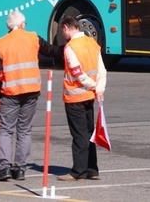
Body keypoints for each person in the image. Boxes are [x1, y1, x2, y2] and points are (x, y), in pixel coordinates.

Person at [0, 10, 63, 181]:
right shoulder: (33, 38)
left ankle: (4, 167)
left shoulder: (0, 44)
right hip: (31, 91)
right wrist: (69, 47)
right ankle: (20, 168)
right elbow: (52, 51)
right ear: (22, 24)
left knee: (6, 131)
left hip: (10, 93)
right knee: (24, 130)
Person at [56, 15, 107, 182]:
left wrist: (92, 85)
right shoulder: (92, 43)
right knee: (89, 133)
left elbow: (78, 73)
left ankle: (78, 171)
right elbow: (102, 70)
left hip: (75, 97)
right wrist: (99, 88)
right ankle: (92, 169)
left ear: (65, 28)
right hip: (89, 97)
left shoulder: (70, 47)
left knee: (79, 135)